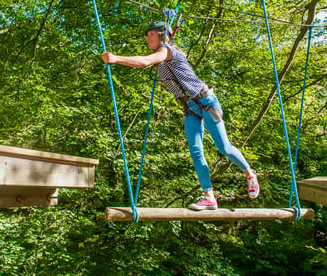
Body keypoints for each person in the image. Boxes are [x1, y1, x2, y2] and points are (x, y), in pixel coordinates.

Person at [102, 21, 259, 210]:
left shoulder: (168, 51)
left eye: (151, 35)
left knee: (223, 147)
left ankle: (250, 173)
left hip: (206, 102)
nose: (147, 39)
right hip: (190, 108)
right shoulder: (161, 58)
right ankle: (209, 196)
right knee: (195, 152)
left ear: (162, 36)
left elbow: (144, 61)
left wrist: (115, 58)